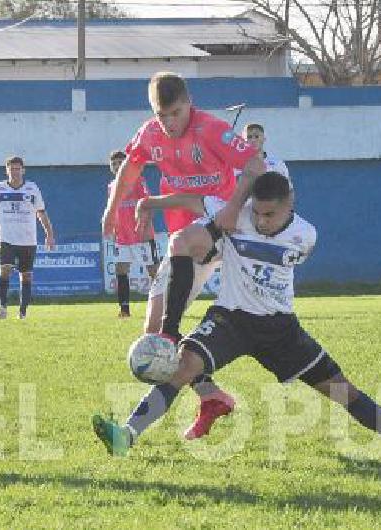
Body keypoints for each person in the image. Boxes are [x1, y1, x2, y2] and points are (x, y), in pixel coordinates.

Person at [92, 171, 381, 457]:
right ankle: (126, 435)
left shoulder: (306, 235)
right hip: (229, 319)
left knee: (342, 391)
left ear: (289, 203)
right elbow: (194, 199)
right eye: (257, 212)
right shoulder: (236, 214)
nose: (261, 221)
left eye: (270, 214)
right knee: (182, 368)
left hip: (280, 329)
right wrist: (151, 202)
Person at [102, 71, 266, 440]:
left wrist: (231, 208)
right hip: (185, 240)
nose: (169, 123)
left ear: (189, 103)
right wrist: (112, 210)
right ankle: (211, 396)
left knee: (259, 326)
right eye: (162, 116)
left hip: (223, 234)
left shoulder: (211, 129)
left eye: (175, 113)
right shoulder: (149, 133)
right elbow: (132, 165)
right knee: (154, 334)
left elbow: (256, 165)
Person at [0, 156, 55, 320]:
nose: (15, 172)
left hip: (28, 239)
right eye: (11, 169)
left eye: (17, 168)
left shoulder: (32, 188)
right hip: (6, 238)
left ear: (23, 170)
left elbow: (41, 212)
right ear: (7, 170)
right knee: (5, 270)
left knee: (26, 275)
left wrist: (49, 234)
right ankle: (3, 307)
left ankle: (22, 312)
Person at [105, 150, 160, 318]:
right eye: (114, 164)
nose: (117, 166)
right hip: (122, 238)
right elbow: (113, 211)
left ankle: (162, 307)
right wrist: (112, 229)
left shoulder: (137, 181)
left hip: (141, 236)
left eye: (120, 163)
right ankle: (124, 309)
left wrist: (143, 226)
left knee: (154, 273)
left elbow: (147, 204)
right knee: (120, 270)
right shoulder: (111, 187)